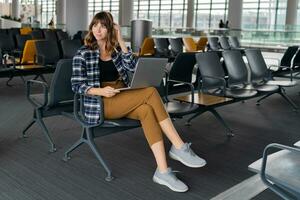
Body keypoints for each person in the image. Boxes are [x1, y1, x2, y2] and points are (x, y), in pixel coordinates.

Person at [71, 11, 206, 192]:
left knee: (146, 111)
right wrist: (100, 90)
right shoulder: (83, 53)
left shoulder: (115, 51)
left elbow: (133, 67)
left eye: (103, 26)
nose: (98, 30)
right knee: (150, 92)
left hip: (120, 95)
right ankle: (179, 146)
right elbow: (76, 85)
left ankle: (163, 171)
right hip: (99, 102)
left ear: (111, 28)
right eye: (95, 25)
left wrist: (121, 42)